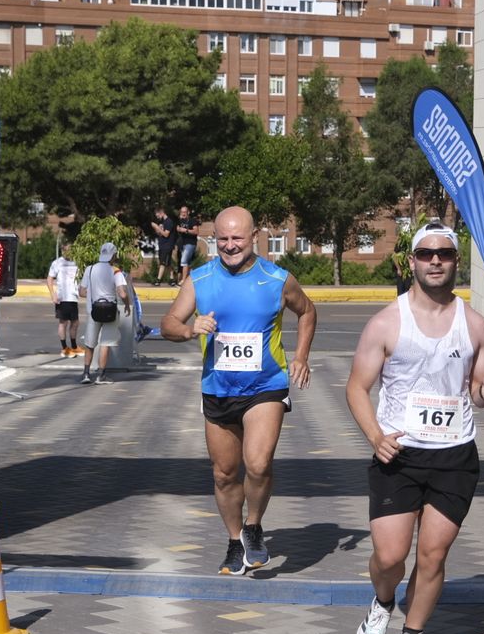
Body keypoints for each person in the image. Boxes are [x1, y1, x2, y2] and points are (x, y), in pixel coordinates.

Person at [345, 222, 484, 634]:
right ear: (411, 261)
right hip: (399, 454)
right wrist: (376, 437)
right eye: (427, 253)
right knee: (391, 556)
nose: (436, 260)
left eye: (446, 254)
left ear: (456, 262)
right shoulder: (386, 322)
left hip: (455, 456)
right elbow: (356, 388)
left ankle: (413, 632)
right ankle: (381, 603)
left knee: (433, 554)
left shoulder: (474, 326)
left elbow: (477, 389)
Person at [161, 206, 316, 575]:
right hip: (218, 387)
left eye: (237, 238)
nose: (230, 246)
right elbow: (168, 323)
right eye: (223, 239)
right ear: (214, 240)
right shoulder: (199, 279)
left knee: (259, 463)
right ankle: (235, 540)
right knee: (224, 474)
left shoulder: (276, 279)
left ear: (255, 236)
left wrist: (301, 357)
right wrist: (189, 329)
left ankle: (254, 525)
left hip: (266, 385)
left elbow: (307, 312)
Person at [78, 242, 132, 385]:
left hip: (93, 311)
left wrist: (95, 294)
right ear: (113, 255)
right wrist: (127, 305)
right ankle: (101, 376)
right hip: (110, 312)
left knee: (89, 343)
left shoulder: (89, 270)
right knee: (105, 343)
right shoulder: (116, 271)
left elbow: (82, 292)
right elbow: (122, 293)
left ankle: (86, 373)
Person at [46, 241, 81, 357]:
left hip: (73, 297)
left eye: (71, 250)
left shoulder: (77, 262)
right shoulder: (57, 263)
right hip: (62, 297)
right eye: (66, 250)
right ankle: (64, 348)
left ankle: (74, 347)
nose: (68, 252)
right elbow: (50, 279)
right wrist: (53, 294)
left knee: (75, 322)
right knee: (63, 323)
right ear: (62, 250)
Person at [150, 206, 176, 286]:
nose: (157, 217)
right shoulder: (163, 222)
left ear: (161, 213)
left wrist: (157, 227)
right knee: (168, 263)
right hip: (162, 245)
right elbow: (160, 233)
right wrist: (156, 229)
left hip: (167, 245)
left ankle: (158, 280)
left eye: (157, 215)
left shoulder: (169, 222)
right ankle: (172, 279)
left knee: (163, 263)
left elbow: (166, 234)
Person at [174, 205, 200, 285]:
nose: (183, 214)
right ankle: (190, 279)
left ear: (188, 212)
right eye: (182, 212)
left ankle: (183, 280)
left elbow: (196, 232)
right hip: (182, 244)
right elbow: (176, 228)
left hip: (190, 243)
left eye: (185, 212)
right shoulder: (180, 221)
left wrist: (185, 230)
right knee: (187, 263)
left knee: (184, 261)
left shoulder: (193, 221)